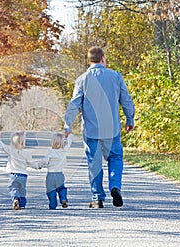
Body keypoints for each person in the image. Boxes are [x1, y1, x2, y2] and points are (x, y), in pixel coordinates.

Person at [64, 46, 135, 208]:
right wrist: (129, 119)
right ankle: (115, 187)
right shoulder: (115, 76)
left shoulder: (82, 79)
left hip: (91, 130)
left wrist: (68, 124)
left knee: (94, 163)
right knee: (115, 157)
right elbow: (126, 100)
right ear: (103, 59)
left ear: (89, 61)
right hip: (112, 129)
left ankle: (97, 198)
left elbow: (74, 104)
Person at [0, 131, 40, 210]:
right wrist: (38, 166)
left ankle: (15, 199)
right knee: (22, 190)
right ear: (23, 143)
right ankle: (22, 204)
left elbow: (2, 146)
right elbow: (31, 163)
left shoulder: (10, 150)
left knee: (13, 188)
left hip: (13, 175)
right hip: (23, 175)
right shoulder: (26, 154)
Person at [38, 132, 74, 209]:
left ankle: (53, 205)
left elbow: (44, 161)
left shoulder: (51, 152)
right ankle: (63, 199)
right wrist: (70, 135)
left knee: (51, 190)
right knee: (61, 188)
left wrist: (39, 166)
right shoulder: (64, 151)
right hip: (60, 174)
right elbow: (69, 143)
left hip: (50, 175)